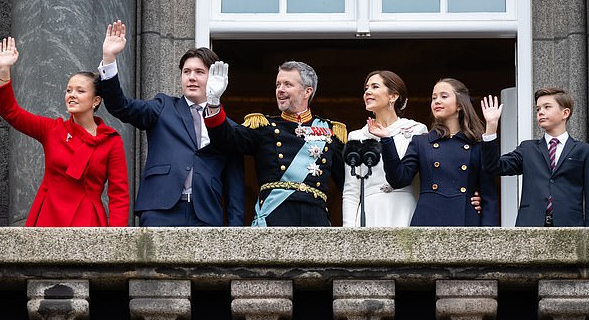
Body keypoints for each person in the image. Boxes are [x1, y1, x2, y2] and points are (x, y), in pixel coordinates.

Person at [96, 20, 244, 226]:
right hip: (160, 210)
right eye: (186, 72)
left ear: (215, 77)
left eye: (199, 72)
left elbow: (235, 187)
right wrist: (109, 59)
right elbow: (121, 107)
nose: (191, 78)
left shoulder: (230, 129)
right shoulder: (163, 106)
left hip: (206, 215)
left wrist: (235, 232)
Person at [0, 37, 129, 227]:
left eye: (80, 91)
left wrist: (116, 241)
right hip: (49, 215)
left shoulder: (111, 140)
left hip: (88, 221)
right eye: (68, 90)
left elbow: (119, 195)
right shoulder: (52, 129)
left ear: (96, 101)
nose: (72, 95)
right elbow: (11, 112)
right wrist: (4, 70)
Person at [203, 60, 346, 227]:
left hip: (315, 220)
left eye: (288, 84)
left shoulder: (330, 132)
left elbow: (350, 185)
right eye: (278, 84)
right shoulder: (264, 127)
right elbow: (226, 138)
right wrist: (213, 102)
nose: (280, 90)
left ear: (307, 91)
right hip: (275, 218)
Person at [368, 78, 499, 226]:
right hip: (428, 220)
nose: (437, 101)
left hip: (466, 221)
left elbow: (489, 198)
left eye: (444, 96)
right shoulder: (421, 142)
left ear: (460, 105)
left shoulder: (477, 145)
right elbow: (399, 179)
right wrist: (387, 140)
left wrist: (490, 239)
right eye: (434, 97)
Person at [481, 89, 589, 226]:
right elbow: (493, 167)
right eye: (538, 108)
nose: (540, 112)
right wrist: (491, 127)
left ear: (565, 113)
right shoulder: (527, 148)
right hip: (530, 226)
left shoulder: (584, 151)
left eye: (547, 107)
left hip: (570, 226)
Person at [342, 71, 428, 227]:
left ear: (393, 96)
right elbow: (351, 189)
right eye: (366, 88)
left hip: (405, 207)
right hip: (369, 211)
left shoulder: (417, 130)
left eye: (375, 87)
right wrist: (348, 229)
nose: (367, 92)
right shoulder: (357, 136)